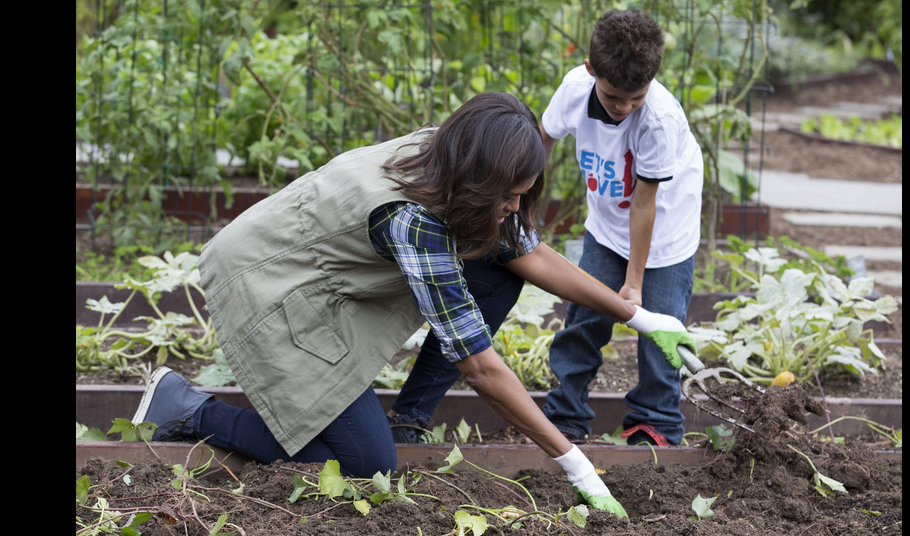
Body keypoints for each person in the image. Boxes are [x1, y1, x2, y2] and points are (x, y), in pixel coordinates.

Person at [129, 92, 691, 519]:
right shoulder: (414, 220)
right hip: (271, 286)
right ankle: (186, 408)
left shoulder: (450, 153)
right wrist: (575, 462)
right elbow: (479, 365)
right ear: (480, 178)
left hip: (321, 270)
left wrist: (637, 315)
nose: (514, 208)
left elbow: (526, 251)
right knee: (366, 467)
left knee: (499, 270)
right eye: (509, 196)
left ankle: (409, 420)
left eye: (522, 193)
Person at [538, 9, 704, 446]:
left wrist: (633, 285)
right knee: (584, 320)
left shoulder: (659, 119)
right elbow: (542, 143)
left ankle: (656, 423)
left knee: (659, 333)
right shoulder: (574, 90)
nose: (625, 108)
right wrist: (522, 205)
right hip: (608, 225)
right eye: (614, 97)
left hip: (666, 231)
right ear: (592, 70)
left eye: (636, 97)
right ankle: (565, 415)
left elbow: (645, 204)